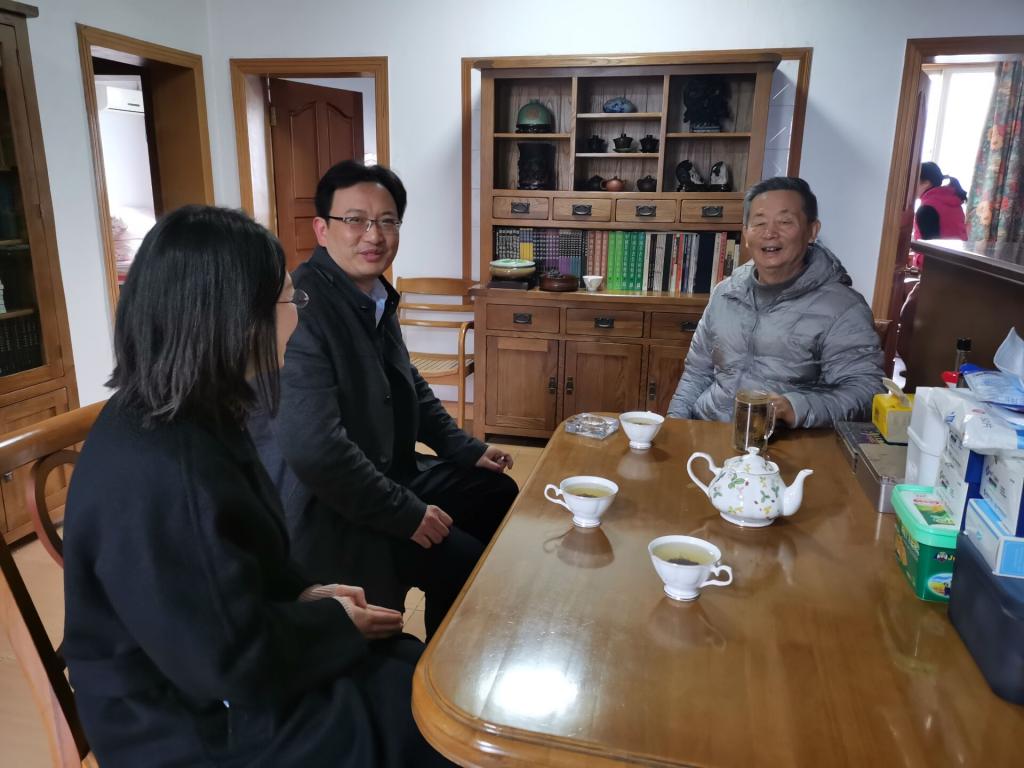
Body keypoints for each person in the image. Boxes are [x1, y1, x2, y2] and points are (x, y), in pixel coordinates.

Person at [62, 206, 452, 767]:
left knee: (405, 662)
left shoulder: (194, 411)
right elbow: (229, 661)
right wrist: (332, 623)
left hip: (219, 671)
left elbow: (235, 570)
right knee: (418, 718)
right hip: (185, 723)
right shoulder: (166, 468)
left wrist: (305, 595)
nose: (299, 317)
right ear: (237, 320)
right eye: (291, 301)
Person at [249, 161, 518, 639]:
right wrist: (407, 514)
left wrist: (464, 447)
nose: (373, 235)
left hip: (387, 470)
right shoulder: (302, 309)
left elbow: (407, 381)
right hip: (330, 504)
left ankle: (454, 632)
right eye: (355, 220)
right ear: (322, 229)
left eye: (387, 221)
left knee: (494, 492)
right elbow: (317, 451)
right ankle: (438, 662)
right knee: (461, 561)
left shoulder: (373, 294)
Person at [667, 177, 883, 428]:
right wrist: (674, 427)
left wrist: (796, 407)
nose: (769, 233)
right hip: (709, 430)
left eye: (785, 222)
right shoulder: (725, 293)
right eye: (759, 223)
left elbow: (866, 392)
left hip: (782, 442)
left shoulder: (843, 308)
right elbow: (696, 373)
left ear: (812, 231)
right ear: (746, 233)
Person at [914, 161, 967, 241]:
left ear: (926, 183)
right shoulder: (951, 201)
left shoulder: (927, 209)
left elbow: (923, 246)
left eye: (913, 180)